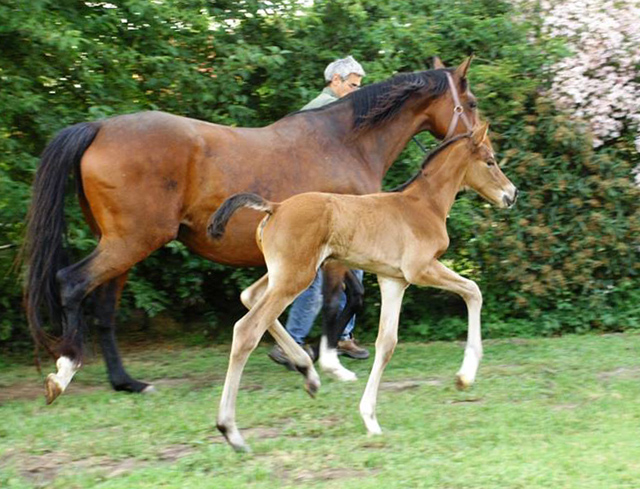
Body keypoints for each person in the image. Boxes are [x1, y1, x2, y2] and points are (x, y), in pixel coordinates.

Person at [269, 56, 370, 369]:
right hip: (315, 210)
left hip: (335, 209)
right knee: (312, 280)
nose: (356, 92)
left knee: (355, 268)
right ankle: (292, 342)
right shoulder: (320, 111)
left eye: (359, 86)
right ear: (335, 82)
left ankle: (342, 336)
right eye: (352, 86)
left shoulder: (339, 111)